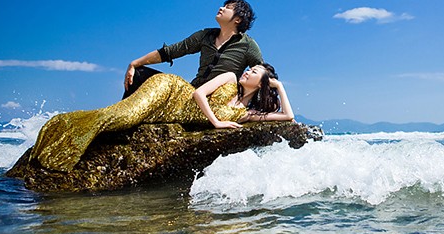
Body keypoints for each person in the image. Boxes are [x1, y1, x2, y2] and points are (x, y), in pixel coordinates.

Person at [29, 64, 294, 172]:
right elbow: (198, 94)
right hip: (170, 90)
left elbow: (287, 116)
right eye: (251, 67)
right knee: (124, 116)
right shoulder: (229, 78)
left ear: (263, 83)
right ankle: (59, 129)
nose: (249, 70)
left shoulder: (246, 114)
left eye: (256, 71)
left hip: (171, 114)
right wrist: (216, 122)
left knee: (128, 121)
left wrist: (279, 88)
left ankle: (59, 145)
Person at [123, 0, 263, 98]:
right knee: (139, 73)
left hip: (217, 99)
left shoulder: (248, 45)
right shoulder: (205, 35)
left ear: (238, 19)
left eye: (228, 7)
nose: (221, 8)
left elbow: (262, 76)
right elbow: (171, 51)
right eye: (223, 5)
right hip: (192, 92)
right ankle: (124, 127)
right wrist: (134, 63)